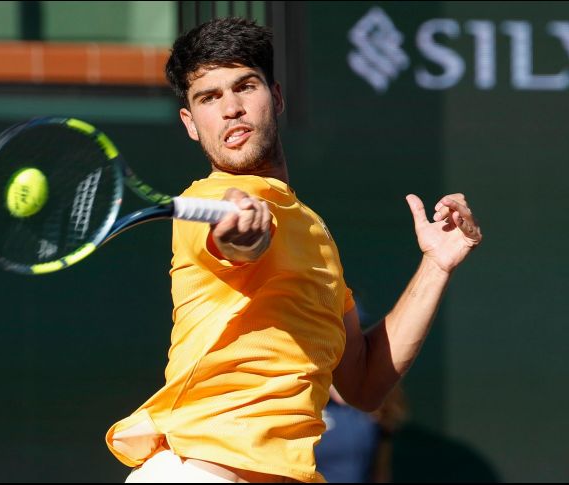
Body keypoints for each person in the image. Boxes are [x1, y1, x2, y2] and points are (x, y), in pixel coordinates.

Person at [106, 17, 483, 483]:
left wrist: (437, 264)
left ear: (277, 97)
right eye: (209, 97)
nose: (231, 109)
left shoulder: (313, 231)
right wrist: (242, 233)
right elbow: (233, 240)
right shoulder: (203, 203)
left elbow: (363, 385)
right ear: (190, 123)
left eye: (245, 87)